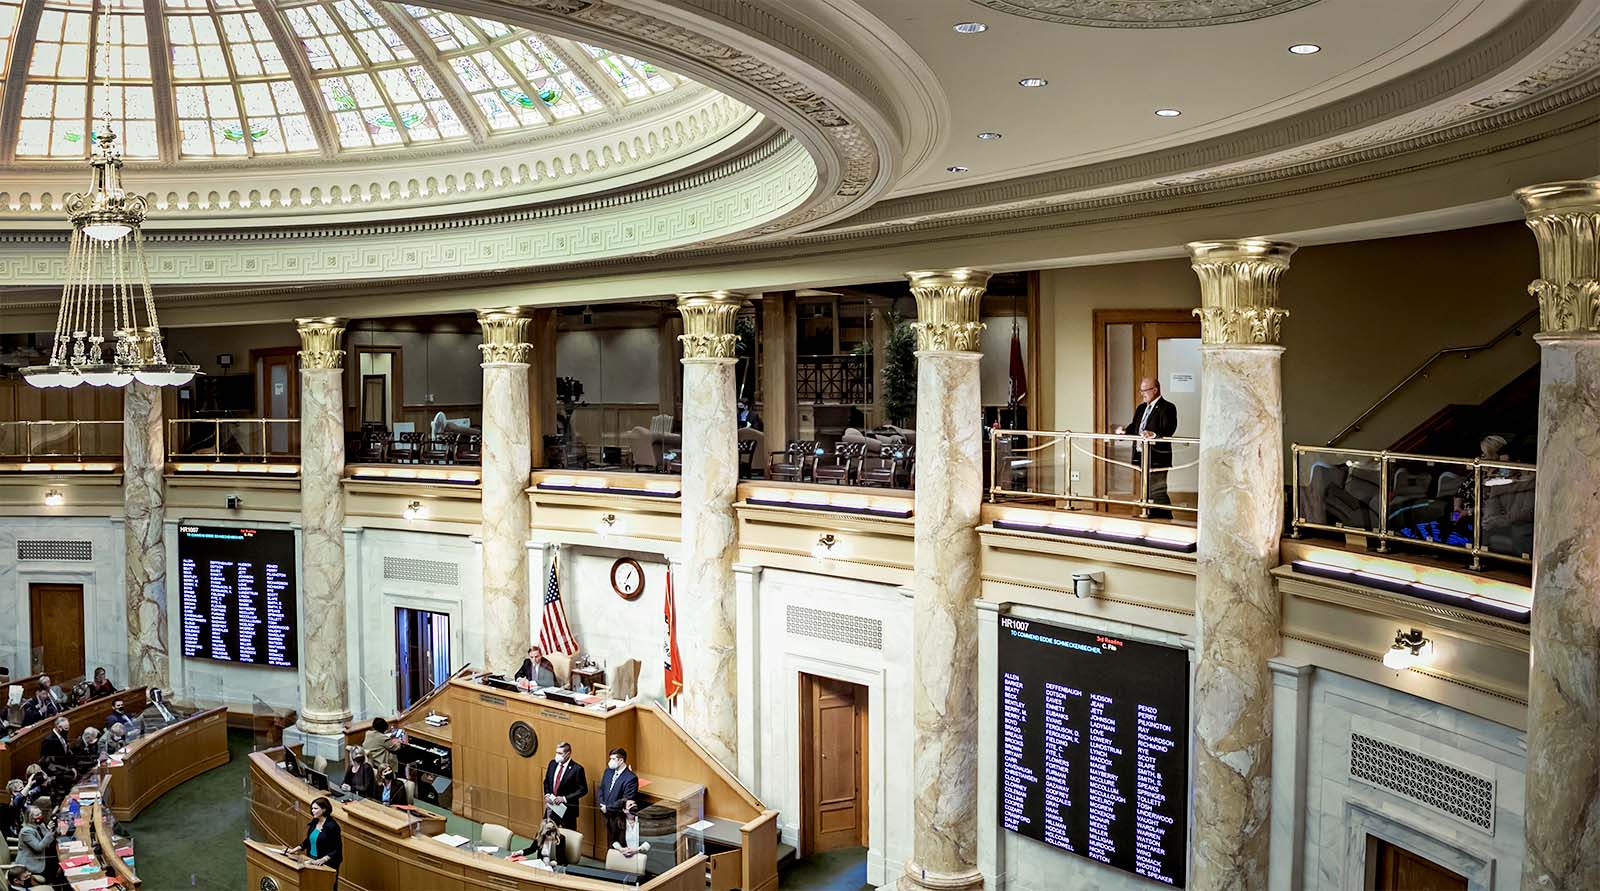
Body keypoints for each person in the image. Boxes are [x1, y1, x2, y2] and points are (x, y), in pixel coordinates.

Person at [1114, 377, 1177, 519]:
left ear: (1155, 390)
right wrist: (1124, 432)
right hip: (1141, 456)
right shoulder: (1141, 408)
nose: (1142, 394)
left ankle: (1165, 519)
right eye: (1141, 390)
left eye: (1145, 390)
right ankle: (1148, 515)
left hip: (1157, 457)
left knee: (1157, 491)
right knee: (1147, 489)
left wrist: (1153, 434)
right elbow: (1134, 427)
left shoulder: (1168, 407)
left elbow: (1169, 429)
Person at [286, 796, 343, 883]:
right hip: (311, 859)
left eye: (315, 808)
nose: (312, 811)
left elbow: (337, 849)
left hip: (327, 864)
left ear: (324, 809)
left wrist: (323, 859)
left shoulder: (332, 826)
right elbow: (309, 840)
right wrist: (295, 849)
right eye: (312, 808)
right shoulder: (315, 821)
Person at [597, 747, 638, 845]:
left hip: (619, 817)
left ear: (621, 760)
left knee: (619, 843)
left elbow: (626, 799)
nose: (610, 761)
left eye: (613, 759)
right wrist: (602, 803)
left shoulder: (631, 778)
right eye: (610, 758)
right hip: (606, 814)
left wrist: (608, 808)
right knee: (611, 842)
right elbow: (601, 789)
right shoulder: (608, 771)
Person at [542, 741, 587, 830]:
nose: (557, 755)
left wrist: (564, 798)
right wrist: (547, 794)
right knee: (547, 831)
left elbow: (583, 789)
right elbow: (547, 781)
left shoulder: (577, 769)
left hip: (567, 810)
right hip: (551, 806)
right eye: (556, 752)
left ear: (568, 754)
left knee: (567, 834)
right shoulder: (552, 764)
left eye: (560, 753)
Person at [15, 807, 53, 880]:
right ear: (31, 818)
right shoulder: (26, 831)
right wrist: (50, 833)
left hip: (41, 857)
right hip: (30, 864)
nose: (40, 816)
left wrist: (49, 829)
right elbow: (38, 847)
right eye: (37, 815)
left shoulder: (40, 825)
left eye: (40, 813)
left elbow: (47, 841)